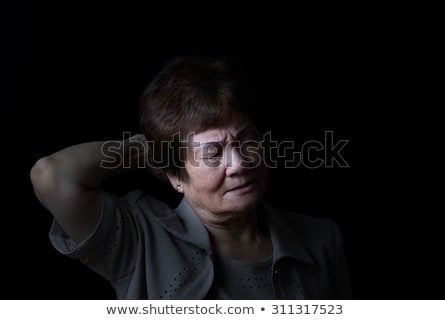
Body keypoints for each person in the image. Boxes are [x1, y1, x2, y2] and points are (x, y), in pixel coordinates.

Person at [30, 55, 353, 299]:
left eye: (247, 141)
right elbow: (53, 174)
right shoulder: (140, 239)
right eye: (212, 154)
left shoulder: (321, 239)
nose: (238, 163)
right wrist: (154, 149)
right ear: (175, 176)